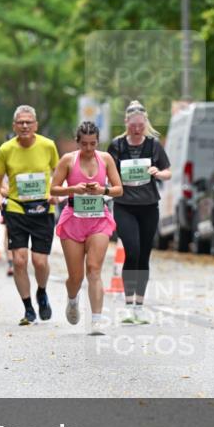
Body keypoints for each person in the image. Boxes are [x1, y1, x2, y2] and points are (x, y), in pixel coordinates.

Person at [50, 122, 124, 334]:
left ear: (98, 142)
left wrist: (103, 189)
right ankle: (72, 299)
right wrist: (73, 188)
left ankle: (97, 320)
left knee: (94, 269)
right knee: (76, 277)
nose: (89, 149)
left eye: (93, 144)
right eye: (84, 144)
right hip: (73, 219)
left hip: (99, 218)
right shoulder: (68, 160)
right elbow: (53, 189)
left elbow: (119, 189)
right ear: (77, 142)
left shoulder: (106, 159)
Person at [0, 105, 60, 326]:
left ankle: (41, 291)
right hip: (16, 208)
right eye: (20, 122)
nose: (24, 126)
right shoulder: (5, 149)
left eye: (28, 122)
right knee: (20, 261)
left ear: (35, 125)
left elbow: (59, 175)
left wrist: (54, 194)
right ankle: (28, 307)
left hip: (43, 210)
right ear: (14, 126)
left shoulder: (48, 146)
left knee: (39, 262)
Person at [107, 101, 172, 324]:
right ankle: (127, 305)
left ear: (146, 123)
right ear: (126, 123)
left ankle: (139, 306)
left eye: (140, 125)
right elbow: (108, 171)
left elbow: (168, 172)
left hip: (148, 206)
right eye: (133, 125)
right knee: (132, 251)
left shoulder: (153, 145)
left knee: (144, 255)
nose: (137, 129)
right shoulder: (116, 146)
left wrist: (158, 172)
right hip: (125, 205)